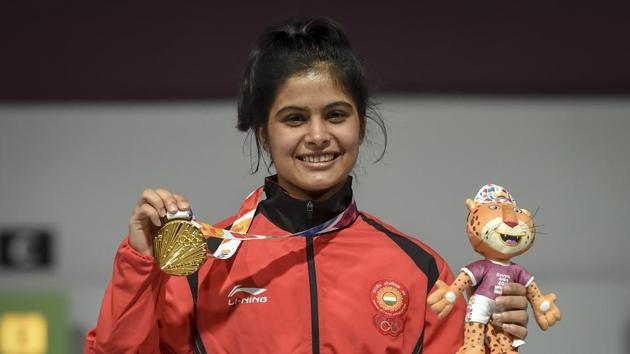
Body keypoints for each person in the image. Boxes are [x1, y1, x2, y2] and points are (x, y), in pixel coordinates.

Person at [85, 17, 529, 354]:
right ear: (264, 132)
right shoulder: (202, 268)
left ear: (360, 124)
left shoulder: (421, 271)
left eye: (335, 115)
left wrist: (492, 342)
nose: (318, 136)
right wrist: (140, 265)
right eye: (294, 118)